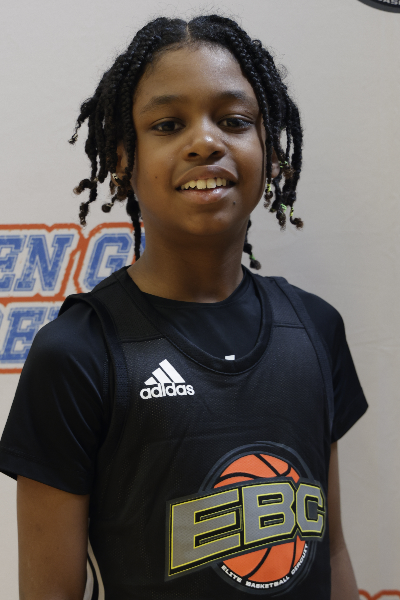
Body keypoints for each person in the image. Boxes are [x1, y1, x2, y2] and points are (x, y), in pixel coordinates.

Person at [0, 15, 367, 600]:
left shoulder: (316, 329)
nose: (205, 142)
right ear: (123, 158)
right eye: (169, 125)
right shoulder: (77, 353)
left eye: (235, 121)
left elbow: (333, 550)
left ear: (270, 150)